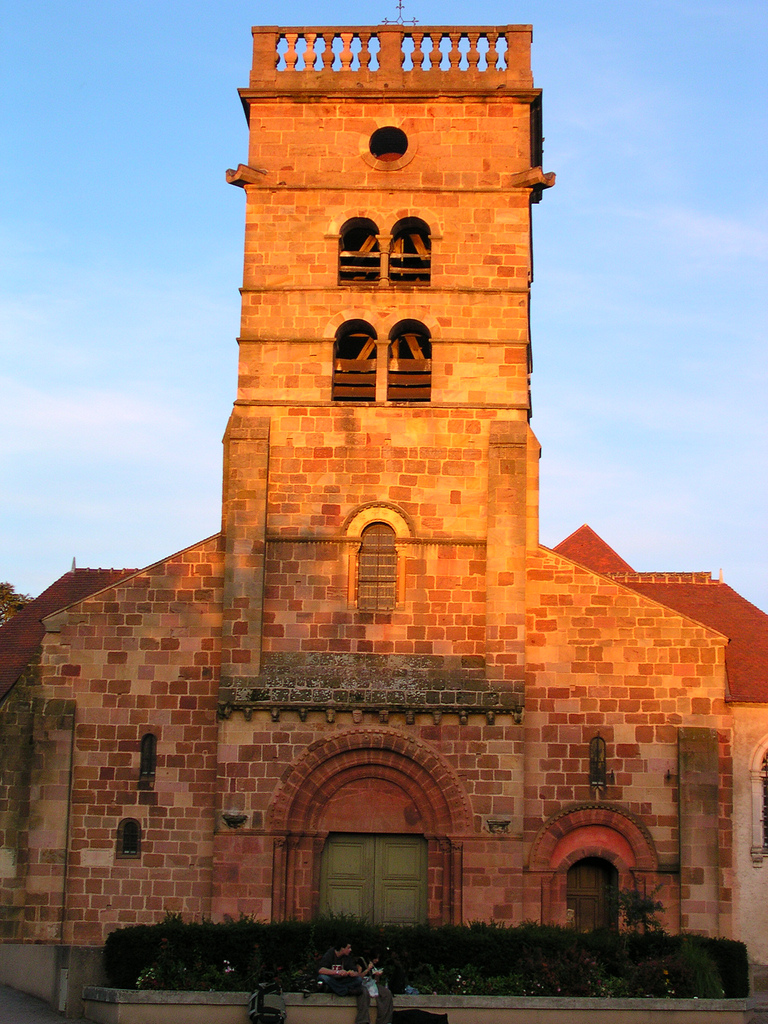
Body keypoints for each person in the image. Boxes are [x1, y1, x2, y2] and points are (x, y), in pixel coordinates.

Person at [317, 939, 394, 1024]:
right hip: (333, 980)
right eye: (349, 948)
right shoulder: (330, 954)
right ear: (342, 948)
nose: (350, 950)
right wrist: (337, 972)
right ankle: (343, 990)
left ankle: (342, 990)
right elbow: (321, 970)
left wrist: (352, 973)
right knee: (323, 977)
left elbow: (356, 974)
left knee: (357, 981)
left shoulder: (347, 957)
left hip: (344, 982)